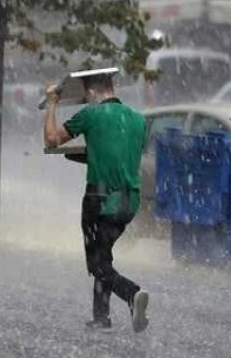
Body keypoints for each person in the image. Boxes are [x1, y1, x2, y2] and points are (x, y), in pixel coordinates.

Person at [43, 72, 150, 333]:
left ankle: (131, 294)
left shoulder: (90, 115)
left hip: (99, 200)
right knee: (104, 255)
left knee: (97, 264)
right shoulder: (138, 120)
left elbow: (52, 139)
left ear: (90, 92)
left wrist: (51, 104)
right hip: (129, 202)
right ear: (112, 86)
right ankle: (101, 317)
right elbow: (123, 155)